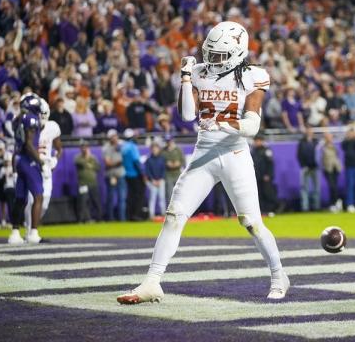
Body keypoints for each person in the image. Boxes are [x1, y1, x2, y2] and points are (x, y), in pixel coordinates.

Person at [117, 21, 288, 304]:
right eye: (209, 53)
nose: (211, 60)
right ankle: (152, 281)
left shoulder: (252, 75)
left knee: (252, 223)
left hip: (234, 154)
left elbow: (252, 126)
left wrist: (223, 123)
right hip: (203, 153)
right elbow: (186, 115)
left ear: (237, 53)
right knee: (174, 215)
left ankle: (278, 274)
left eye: (219, 55)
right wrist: (185, 78)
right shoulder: (199, 73)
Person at [8, 93, 44, 244]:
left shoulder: (18, 119)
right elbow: (29, 144)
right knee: (38, 196)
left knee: (20, 198)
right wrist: (40, 162)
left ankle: (15, 233)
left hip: (19, 159)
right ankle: (33, 233)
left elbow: (19, 144)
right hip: (29, 160)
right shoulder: (31, 118)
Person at [24, 98, 62, 236]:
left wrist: (55, 160)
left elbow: (59, 149)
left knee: (44, 204)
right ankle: (31, 231)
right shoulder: (30, 126)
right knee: (32, 201)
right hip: (33, 166)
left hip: (46, 168)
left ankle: (31, 227)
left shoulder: (53, 127)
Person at [121, 128, 146, 221]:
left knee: (130, 195)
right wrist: (143, 174)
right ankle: (136, 215)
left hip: (127, 174)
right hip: (135, 174)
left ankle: (129, 215)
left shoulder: (123, 147)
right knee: (138, 195)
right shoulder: (132, 146)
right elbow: (136, 162)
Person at [102, 129, 127, 221]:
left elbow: (126, 158)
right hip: (110, 175)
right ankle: (110, 219)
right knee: (110, 198)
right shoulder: (106, 148)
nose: (114, 138)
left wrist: (118, 162)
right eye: (112, 136)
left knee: (122, 198)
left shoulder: (122, 145)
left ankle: (122, 219)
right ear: (109, 138)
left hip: (120, 175)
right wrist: (118, 163)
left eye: (115, 135)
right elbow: (107, 163)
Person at [74, 141, 102, 222]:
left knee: (96, 201)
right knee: (82, 202)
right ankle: (81, 219)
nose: (84, 149)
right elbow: (80, 163)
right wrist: (88, 160)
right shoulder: (78, 157)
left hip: (93, 183)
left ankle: (99, 218)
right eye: (82, 147)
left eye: (85, 147)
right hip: (83, 184)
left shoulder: (93, 157)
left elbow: (98, 167)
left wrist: (90, 162)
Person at [251, 133, 278, 213]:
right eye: (256, 141)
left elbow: (270, 164)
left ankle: (271, 209)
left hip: (266, 177)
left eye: (258, 140)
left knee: (268, 193)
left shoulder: (267, 150)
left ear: (262, 141)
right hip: (257, 177)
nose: (257, 142)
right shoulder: (253, 151)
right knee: (259, 194)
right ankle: (262, 210)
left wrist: (268, 175)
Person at [297, 127, 320, 211]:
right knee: (304, 188)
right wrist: (303, 165)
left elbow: (319, 155)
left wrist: (317, 165)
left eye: (311, 131)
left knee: (316, 188)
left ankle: (316, 206)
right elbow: (299, 155)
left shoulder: (316, 141)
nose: (310, 132)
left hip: (315, 167)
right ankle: (305, 207)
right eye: (308, 130)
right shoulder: (302, 142)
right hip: (305, 168)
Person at [321, 132, 342, 212]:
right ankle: (333, 203)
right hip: (328, 169)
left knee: (335, 187)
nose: (330, 139)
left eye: (331, 137)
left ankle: (336, 203)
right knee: (332, 187)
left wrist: (339, 166)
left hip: (335, 169)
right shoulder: (323, 147)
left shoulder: (334, 147)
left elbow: (336, 157)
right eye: (328, 137)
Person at [161, 135, 185, 206]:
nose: (168, 142)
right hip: (168, 174)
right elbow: (160, 162)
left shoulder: (178, 149)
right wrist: (166, 164)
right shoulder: (163, 151)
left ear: (172, 140)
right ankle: (170, 211)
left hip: (177, 174)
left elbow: (183, 161)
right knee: (169, 194)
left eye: (169, 141)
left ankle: (180, 209)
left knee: (179, 193)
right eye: (167, 141)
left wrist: (179, 164)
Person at [145, 141, 166, 219]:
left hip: (161, 181)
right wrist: (153, 180)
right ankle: (151, 215)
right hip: (152, 182)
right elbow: (148, 171)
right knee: (152, 198)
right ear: (151, 149)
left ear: (158, 149)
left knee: (162, 198)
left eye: (156, 148)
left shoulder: (162, 159)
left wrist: (160, 179)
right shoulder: (149, 159)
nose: (154, 150)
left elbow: (164, 170)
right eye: (153, 148)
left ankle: (163, 214)